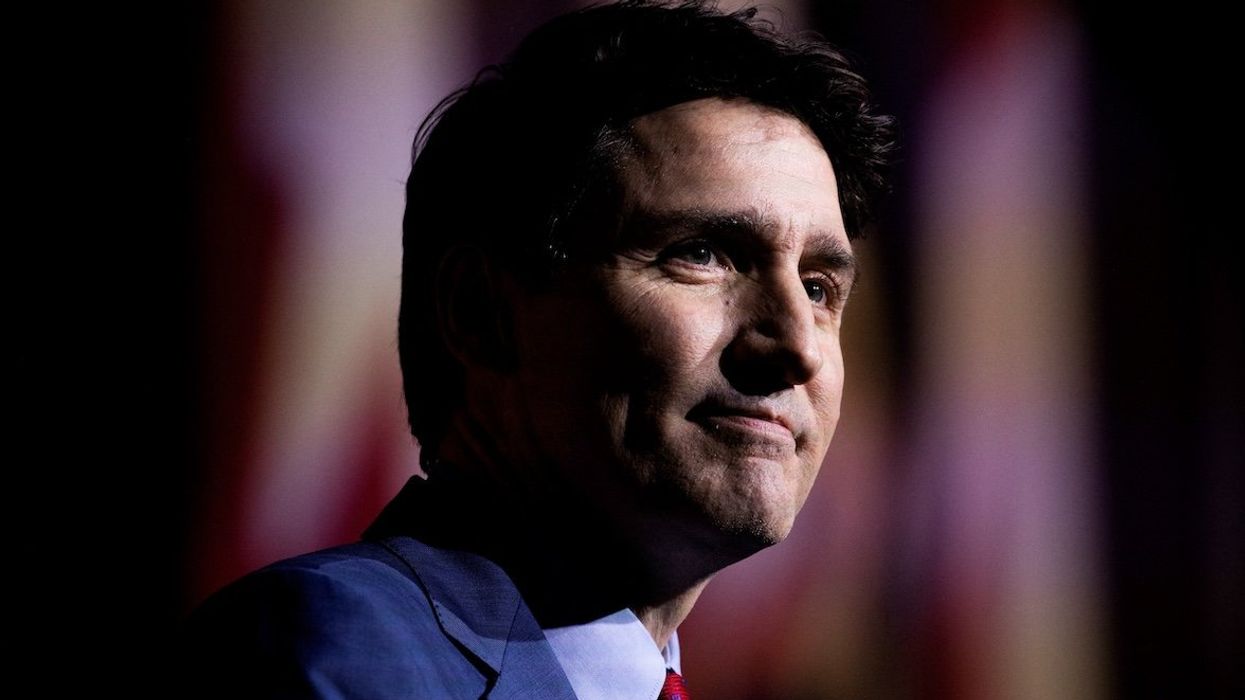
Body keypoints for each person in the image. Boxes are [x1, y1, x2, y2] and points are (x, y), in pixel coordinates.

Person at [180, 1, 895, 697]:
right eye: (701, 253)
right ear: (479, 310)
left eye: (818, 287)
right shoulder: (331, 653)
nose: (796, 344)